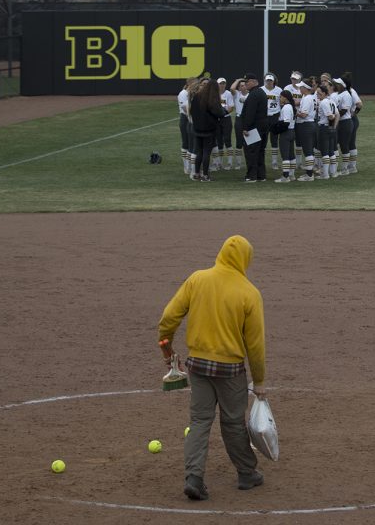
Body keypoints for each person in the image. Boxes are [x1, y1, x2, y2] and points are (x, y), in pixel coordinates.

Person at [157, 235, 267, 501]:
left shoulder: (198, 279)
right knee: (232, 423)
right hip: (230, 371)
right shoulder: (249, 292)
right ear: (245, 259)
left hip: (198, 366)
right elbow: (255, 344)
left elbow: (169, 317)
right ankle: (246, 473)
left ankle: (194, 477)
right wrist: (259, 380)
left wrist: (167, 348)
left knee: (199, 422)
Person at [188, 79, 225, 182]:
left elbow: (191, 111)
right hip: (208, 130)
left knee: (199, 151)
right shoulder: (212, 99)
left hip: (197, 128)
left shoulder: (196, 96)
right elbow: (219, 113)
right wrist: (223, 111)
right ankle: (205, 175)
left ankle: (196, 173)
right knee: (206, 152)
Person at [239, 72, 269, 182]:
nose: (245, 83)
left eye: (247, 82)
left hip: (254, 128)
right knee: (260, 152)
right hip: (262, 127)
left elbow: (250, 114)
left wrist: (245, 128)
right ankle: (261, 175)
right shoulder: (261, 92)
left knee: (251, 152)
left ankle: (252, 176)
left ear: (254, 82)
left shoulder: (253, 94)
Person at [294, 78, 317, 181]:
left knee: (308, 151)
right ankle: (309, 172)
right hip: (309, 124)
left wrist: (294, 112)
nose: (299, 88)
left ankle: (309, 175)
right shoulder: (308, 97)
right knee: (308, 150)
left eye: (301, 87)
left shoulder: (307, 98)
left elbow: (303, 114)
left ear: (305, 88)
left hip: (306, 125)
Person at [332, 77, 354, 176]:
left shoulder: (346, 95)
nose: (335, 85)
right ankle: (336, 167)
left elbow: (344, 111)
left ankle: (345, 168)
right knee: (336, 144)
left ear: (342, 85)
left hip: (345, 122)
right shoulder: (338, 94)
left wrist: (333, 117)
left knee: (344, 145)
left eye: (337, 84)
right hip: (340, 122)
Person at [342, 72, 362, 174]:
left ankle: (352, 166)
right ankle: (351, 166)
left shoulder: (351, 91)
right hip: (350, 119)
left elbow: (359, 104)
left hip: (352, 120)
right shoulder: (347, 91)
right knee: (349, 142)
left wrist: (353, 114)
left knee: (350, 143)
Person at [274, 89, 297, 183]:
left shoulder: (286, 107)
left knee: (285, 155)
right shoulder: (290, 106)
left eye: (281, 97)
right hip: (291, 132)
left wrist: (277, 129)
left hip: (286, 133)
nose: (279, 98)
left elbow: (286, 123)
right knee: (291, 155)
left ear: (285, 98)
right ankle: (291, 175)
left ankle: (285, 176)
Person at [213, 77, 235, 171]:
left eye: (223, 83)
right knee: (219, 141)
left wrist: (223, 113)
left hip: (225, 119)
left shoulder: (228, 94)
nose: (222, 85)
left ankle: (229, 163)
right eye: (220, 83)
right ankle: (219, 163)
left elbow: (231, 107)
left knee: (227, 140)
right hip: (216, 120)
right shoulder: (213, 94)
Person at [177, 78, 198, 175]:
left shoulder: (193, 93)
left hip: (190, 118)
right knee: (186, 142)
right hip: (185, 119)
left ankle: (191, 165)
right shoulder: (183, 93)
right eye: (195, 83)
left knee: (192, 143)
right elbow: (185, 109)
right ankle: (186, 166)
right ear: (190, 84)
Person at [262, 73, 281, 170]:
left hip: (274, 115)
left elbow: (281, 103)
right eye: (267, 80)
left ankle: (274, 162)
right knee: (263, 139)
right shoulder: (261, 89)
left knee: (274, 139)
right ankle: (262, 162)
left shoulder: (279, 90)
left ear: (274, 81)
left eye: (270, 81)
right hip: (264, 116)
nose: (269, 82)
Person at [230, 77, 249, 170]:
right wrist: (237, 80)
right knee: (239, 142)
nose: (243, 87)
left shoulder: (251, 94)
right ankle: (238, 163)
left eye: (244, 85)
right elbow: (232, 89)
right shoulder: (237, 94)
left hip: (249, 119)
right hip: (239, 118)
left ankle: (250, 161)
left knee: (250, 141)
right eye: (241, 86)